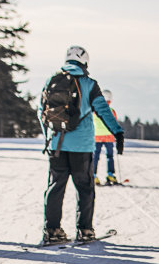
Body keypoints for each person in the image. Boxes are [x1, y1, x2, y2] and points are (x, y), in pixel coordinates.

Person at [39, 45, 123, 244]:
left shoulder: (51, 80)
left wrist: (48, 137)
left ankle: (52, 230)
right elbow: (102, 110)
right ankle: (85, 230)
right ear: (85, 61)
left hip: (56, 144)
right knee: (85, 188)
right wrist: (117, 132)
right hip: (82, 146)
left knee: (55, 187)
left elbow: (40, 111)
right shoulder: (89, 84)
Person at [93, 87, 119, 185]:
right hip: (109, 137)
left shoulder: (95, 110)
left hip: (97, 137)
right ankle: (110, 175)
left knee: (95, 157)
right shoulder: (112, 111)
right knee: (110, 156)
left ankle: (93, 175)